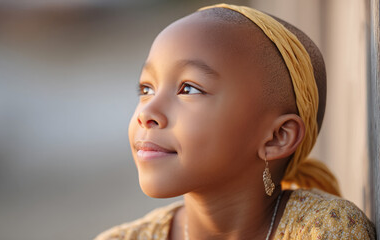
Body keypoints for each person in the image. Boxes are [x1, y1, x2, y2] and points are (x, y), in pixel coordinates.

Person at [95, 3, 376, 240]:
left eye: (189, 89)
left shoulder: (323, 229)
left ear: (277, 137)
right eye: (146, 89)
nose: (147, 113)